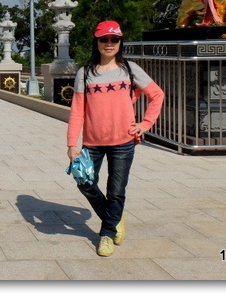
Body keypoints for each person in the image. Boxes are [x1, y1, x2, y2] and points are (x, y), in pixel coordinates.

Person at [66, 20, 164, 257]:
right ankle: (115, 216)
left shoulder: (130, 69)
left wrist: (145, 124)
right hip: (93, 142)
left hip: (123, 141)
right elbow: (77, 110)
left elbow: (157, 94)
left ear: (120, 42)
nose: (109, 44)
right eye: (104, 39)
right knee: (85, 183)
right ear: (96, 42)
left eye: (114, 39)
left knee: (116, 191)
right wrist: (71, 144)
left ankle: (107, 234)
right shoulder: (85, 73)